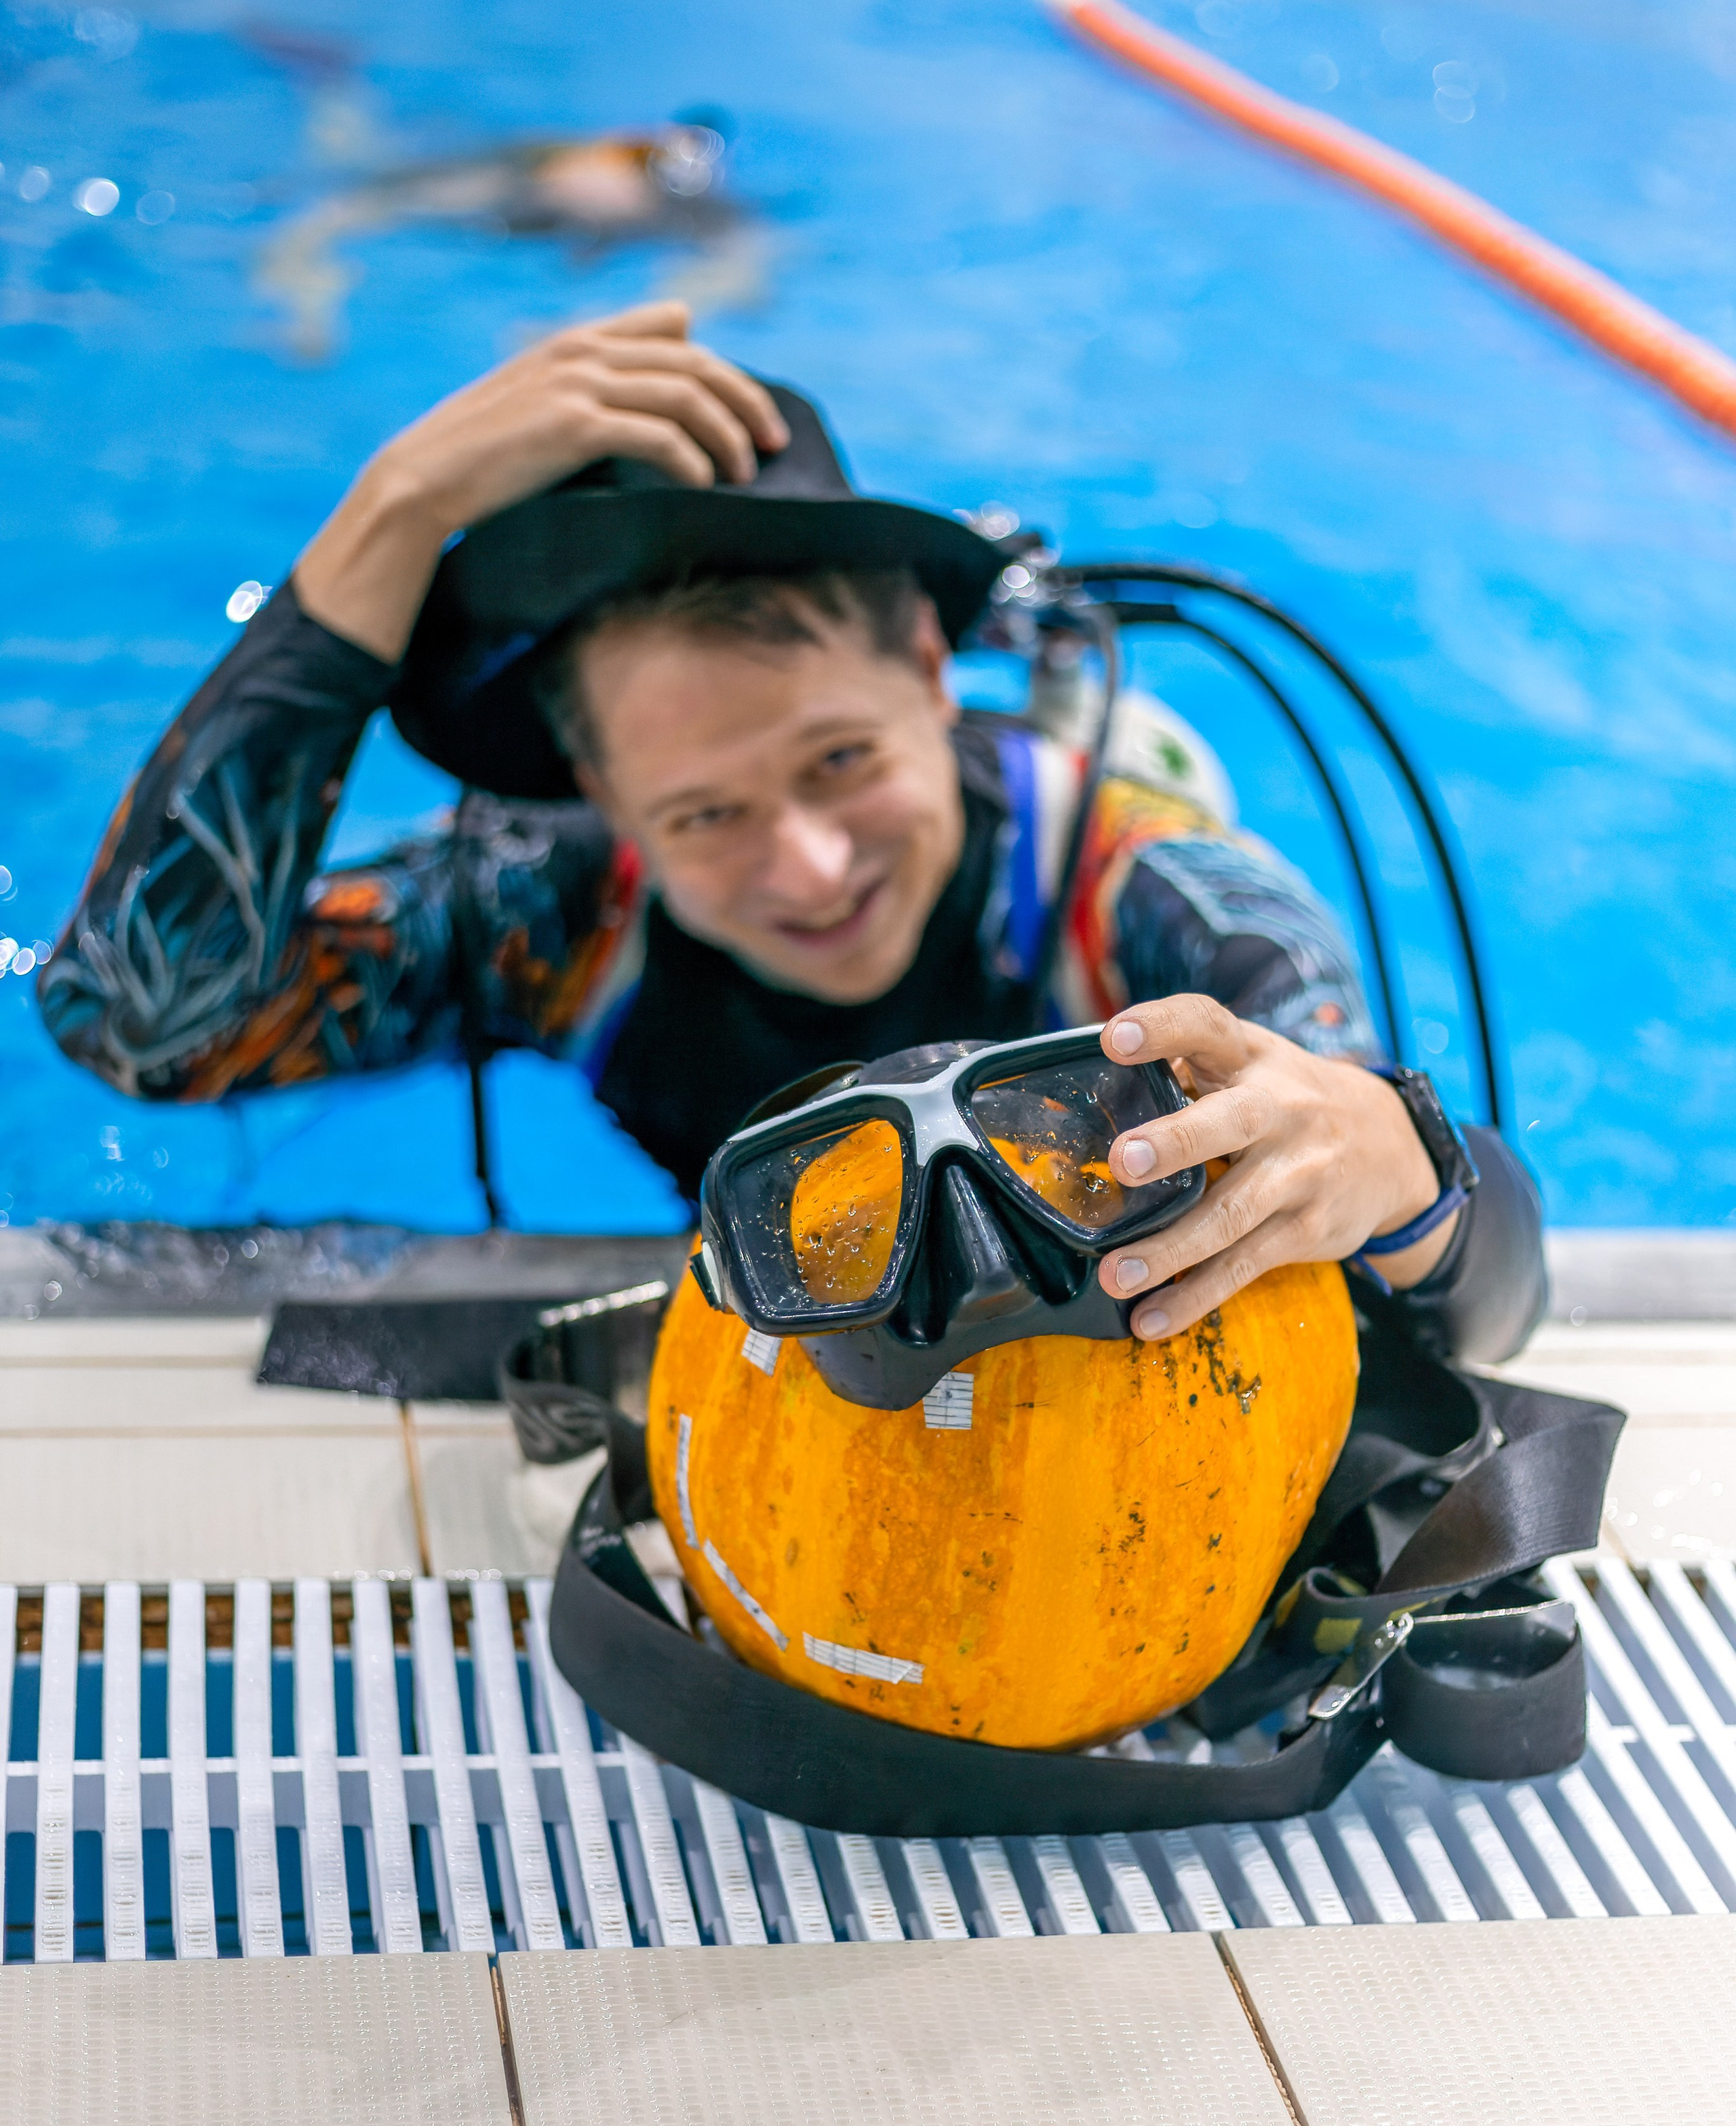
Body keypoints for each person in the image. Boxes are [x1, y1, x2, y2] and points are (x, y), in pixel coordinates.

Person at [41, 301, 1544, 1361]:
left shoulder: (1146, 901)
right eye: (702, 811)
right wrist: (380, 524)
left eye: (839, 759)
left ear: (925, 671)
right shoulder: (564, 914)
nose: (807, 866)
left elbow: (1481, 1313)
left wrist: (1397, 1165)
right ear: (604, 802)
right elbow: (142, 1030)